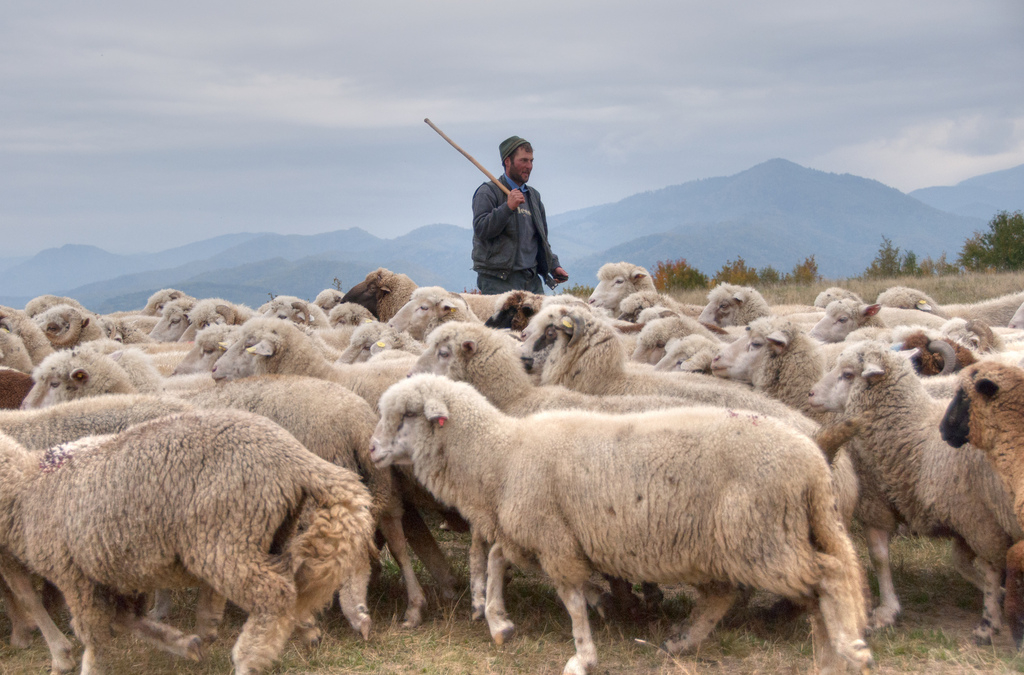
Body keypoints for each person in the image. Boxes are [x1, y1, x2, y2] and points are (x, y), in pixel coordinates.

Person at [471, 135, 569, 295]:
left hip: (531, 280)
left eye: (531, 161)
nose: (529, 166)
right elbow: (481, 230)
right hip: (498, 281)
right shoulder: (488, 192)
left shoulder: (534, 197)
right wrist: (507, 208)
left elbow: (541, 240)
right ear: (507, 161)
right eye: (523, 160)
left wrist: (553, 265)